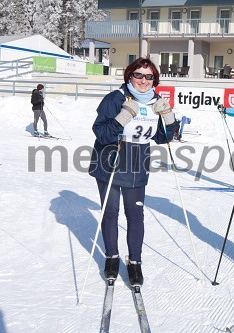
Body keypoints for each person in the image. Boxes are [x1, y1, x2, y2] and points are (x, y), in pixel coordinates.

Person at [88, 57, 176, 286]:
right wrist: (123, 115)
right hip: (110, 164)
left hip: (137, 168)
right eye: (139, 75)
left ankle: (135, 262)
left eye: (149, 76)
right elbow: (102, 134)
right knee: (111, 214)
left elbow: (163, 138)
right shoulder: (115, 98)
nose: (144, 80)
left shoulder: (155, 101)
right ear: (129, 76)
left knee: (135, 217)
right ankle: (111, 257)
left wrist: (169, 117)